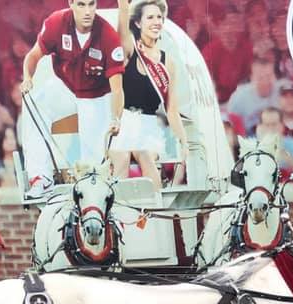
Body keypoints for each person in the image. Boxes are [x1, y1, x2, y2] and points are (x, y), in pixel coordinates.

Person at [20, 0, 125, 197]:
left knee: (92, 168)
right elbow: (33, 56)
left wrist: (116, 118)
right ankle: (41, 178)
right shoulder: (56, 22)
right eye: (81, 4)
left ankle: (92, 193)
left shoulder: (108, 36)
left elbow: (117, 90)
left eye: (91, 4)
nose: (87, 11)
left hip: (96, 95)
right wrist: (27, 78)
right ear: (71, 4)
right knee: (33, 100)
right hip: (66, 87)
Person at [111, 0, 190, 189]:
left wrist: (184, 141)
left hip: (148, 125)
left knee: (146, 157)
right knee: (121, 159)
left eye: (159, 17)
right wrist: (123, 5)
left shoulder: (167, 62)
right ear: (138, 23)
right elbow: (122, 24)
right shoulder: (130, 49)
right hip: (123, 122)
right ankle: (117, 215)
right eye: (150, 17)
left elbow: (171, 109)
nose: (157, 22)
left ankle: (154, 213)